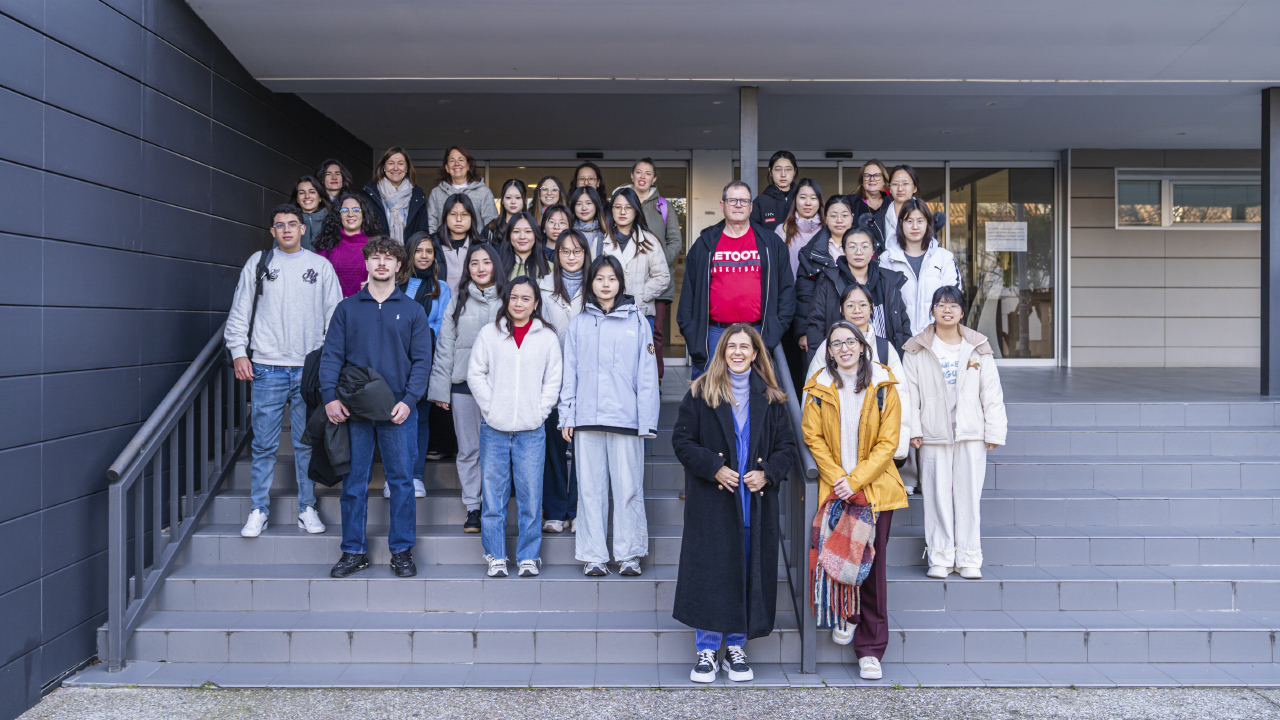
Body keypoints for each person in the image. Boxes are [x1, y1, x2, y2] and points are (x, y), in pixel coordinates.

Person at [671, 325, 796, 684]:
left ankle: (736, 648)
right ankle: (707, 650)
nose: (738, 352)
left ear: (756, 354)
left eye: (745, 346)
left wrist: (768, 473)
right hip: (713, 504)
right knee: (711, 573)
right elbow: (682, 441)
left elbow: (787, 448)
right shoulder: (701, 392)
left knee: (746, 573)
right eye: (732, 346)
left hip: (753, 505)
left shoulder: (772, 398)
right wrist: (713, 467)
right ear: (722, 351)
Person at [320, 236, 433, 580]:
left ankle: (401, 550)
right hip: (354, 409)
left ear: (399, 266)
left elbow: (422, 361)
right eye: (375, 257)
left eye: (388, 258)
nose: (381, 263)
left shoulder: (413, 310)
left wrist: (409, 401)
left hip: (398, 409)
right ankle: (353, 551)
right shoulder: (347, 308)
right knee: (354, 482)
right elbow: (331, 355)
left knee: (401, 482)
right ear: (366, 263)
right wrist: (330, 397)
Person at [227, 203, 342, 539]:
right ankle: (258, 510)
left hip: (308, 370)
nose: (287, 229)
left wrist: (326, 362)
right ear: (273, 231)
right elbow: (240, 310)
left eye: (293, 224)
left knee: (306, 444)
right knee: (264, 445)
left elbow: (335, 318)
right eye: (280, 225)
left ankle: (307, 507)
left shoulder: (320, 266)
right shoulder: (259, 262)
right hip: (267, 367)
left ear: (303, 229)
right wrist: (238, 352)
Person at [802, 321, 908, 680]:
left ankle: (871, 649)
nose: (844, 348)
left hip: (875, 491)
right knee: (842, 559)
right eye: (836, 344)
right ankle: (849, 614)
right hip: (836, 490)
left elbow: (888, 443)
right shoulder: (818, 388)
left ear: (863, 346)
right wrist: (839, 480)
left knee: (873, 569)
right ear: (829, 352)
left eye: (850, 341)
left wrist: (856, 481)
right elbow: (812, 437)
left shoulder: (884, 384)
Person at [559, 255, 660, 576]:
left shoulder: (637, 321)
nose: (605, 284)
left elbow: (647, 376)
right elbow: (569, 374)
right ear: (591, 282)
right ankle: (593, 555)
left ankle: (629, 555)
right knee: (590, 490)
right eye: (599, 278)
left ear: (620, 283)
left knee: (629, 488)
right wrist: (567, 415)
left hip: (626, 420)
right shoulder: (579, 323)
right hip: (587, 420)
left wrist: (647, 421)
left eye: (612, 279)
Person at [902, 286, 1007, 581]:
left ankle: (969, 557)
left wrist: (993, 431)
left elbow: (992, 393)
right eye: (940, 304)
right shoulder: (916, 348)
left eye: (953, 305)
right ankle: (940, 556)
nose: (946, 310)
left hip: (970, 434)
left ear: (962, 312)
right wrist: (913, 430)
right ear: (932, 311)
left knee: (968, 497)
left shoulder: (978, 346)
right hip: (933, 434)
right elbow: (908, 395)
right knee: (937, 497)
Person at [469, 277, 562, 578]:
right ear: (506, 301)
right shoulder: (489, 334)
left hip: (531, 430)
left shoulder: (547, 338)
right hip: (494, 428)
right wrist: (491, 408)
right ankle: (495, 555)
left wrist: (540, 412)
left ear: (536, 304)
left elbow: (553, 380)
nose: (518, 303)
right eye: (514, 297)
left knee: (530, 497)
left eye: (526, 298)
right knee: (493, 497)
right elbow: (476, 374)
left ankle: (528, 557)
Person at [677, 181, 795, 378]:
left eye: (743, 201)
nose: (738, 205)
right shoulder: (704, 244)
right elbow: (689, 294)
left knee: (753, 392)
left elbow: (787, 291)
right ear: (722, 205)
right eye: (732, 200)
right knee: (710, 393)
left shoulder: (771, 244)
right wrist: (691, 333)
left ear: (751, 206)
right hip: (713, 335)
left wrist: (774, 330)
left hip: (756, 332)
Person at [427, 243, 506, 533]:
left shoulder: (509, 299)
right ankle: (473, 507)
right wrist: (440, 389)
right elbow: (445, 346)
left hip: (501, 389)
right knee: (469, 449)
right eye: (474, 263)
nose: (481, 268)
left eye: (486, 262)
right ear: (467, 268)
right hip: (463, 387)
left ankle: (493, 506)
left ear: (496, 265)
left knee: (496, 451)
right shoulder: (458, 299)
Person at [804, 283, 911, 471]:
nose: (857, 310)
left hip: (878, 450)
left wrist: (899, 449)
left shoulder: (884, 348)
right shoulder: (827, 347)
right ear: (841, 309)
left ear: (872, 308)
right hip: (836, 448)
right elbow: (811, 394)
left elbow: (901, 396)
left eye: (862, 305)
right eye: (850, 305)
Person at [539, 229, 592, 533]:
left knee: (585, 448)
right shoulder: (543, 287)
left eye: (577, 251)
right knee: (554, 447)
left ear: (586, 254)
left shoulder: (597, 285)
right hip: (552, 377)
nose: (571, 257)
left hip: (588, 379)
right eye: (564, 251)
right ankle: (555, 512)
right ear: (556, 255)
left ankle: (579, 510)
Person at [396, 231, 452, 500]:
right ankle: (397, 476)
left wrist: (419, 339)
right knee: (395, 418)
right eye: (418, 250)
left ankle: (416, 476)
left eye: (429, 251)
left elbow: (442, 325)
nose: (424, 256)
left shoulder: (442, 288)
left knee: (419, 418)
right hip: (395, 359)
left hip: (426, 359)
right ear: (409, 253)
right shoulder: (396, 283)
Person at [617, 159, 683, 380]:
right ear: (632, 175)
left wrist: (656, 263)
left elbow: (675, 241)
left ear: (654, 178)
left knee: (654, 333)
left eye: (648, 173)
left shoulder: (663, 206)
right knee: (622, 331)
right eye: (638, 172)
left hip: (655, 282)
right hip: (625, 280)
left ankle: (654, 380)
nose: (642, 177)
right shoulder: (622, 201)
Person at [805, 227, 913, 359]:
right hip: (841, 361)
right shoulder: (829, 283)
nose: (859, 252)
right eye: (852, 247)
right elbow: (816, 327)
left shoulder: (888, 282)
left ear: (873, 250)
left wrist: (904, 359)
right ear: (844, 250)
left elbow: (903, 326)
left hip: (884, 360)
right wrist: (821, 362)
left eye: (864, 246)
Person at [878, 198, 963, 334]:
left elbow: (953, 300)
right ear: (901, 223)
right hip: (898, 338)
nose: (915, 227)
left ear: (928, 223)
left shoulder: (944, 258)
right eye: (909, 221)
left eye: (920, 221)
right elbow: (882, 303)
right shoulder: (886, 259)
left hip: (937, 337)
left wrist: (933, 333)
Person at [791, 196, 855, 359]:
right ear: (825, 219)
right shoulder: (810, 253)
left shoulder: (864, 247)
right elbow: (804, 295)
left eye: (844, 215)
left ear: (852, 218)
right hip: (821, 324)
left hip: (857, 320)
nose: (839, 220)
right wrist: (803, 332)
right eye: (833, 215)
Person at [600, 187, 670, 330]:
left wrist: (640, 296)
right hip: (607, 313)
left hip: (641, 313)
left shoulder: (650, 241)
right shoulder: (600, 241)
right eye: (617, 207)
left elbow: (662, 277)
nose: (622, 212)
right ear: (611, 210)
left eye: (628, 207)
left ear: (636, 210)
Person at [314, 193, 379, 298]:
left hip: (367, 305)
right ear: (338, 215)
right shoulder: (326, 244)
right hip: (333, 306)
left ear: (364, 215)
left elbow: (387, 279)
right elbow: (315, 281)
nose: (350, 214)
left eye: (356, 210)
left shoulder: (376, 246)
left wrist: (376, 286)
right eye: (344, 210)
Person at [362, 146, 429, 243]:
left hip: (409, 252)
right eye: (391, 163)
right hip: (378, 251)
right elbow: (365, 229)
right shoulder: (370, 194)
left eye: (400, 163)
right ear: (384, 167)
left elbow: (422, 232)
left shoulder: (417, 195)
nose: (396, 168)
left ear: (406, 168)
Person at [426, 146, 498, 234]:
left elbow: (491, 225)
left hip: (477, 242)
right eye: (452, 161)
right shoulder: (436, 193)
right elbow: (431, 225)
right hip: (443, 243)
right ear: (447, 168)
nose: (456, 164)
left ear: (468, 166)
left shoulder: (483, 192)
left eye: (461, 160)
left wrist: (483, 243)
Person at [433, 192, 486, 294]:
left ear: (472, 217)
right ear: (445, 217)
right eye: (453, 214)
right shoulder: (432, 245)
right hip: (439, 302)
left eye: (464, 214)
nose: (458, 219)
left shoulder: (481, 247)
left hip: (471, 303)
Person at [777, 178, 825, 278]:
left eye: (813, 198)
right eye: (803, 197)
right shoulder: (782, 231)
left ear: (819, 201)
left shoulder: (827, 230)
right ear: (795, 200)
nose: (808, 203)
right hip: (791, 287)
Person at [750, 150, 797, 231]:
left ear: (794, 172)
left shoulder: (802, 199)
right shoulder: (760, 201)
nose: (783, 175)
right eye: (778, 169)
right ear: (770, 172)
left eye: (788, 169)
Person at [847, 159, 891, 243]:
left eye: (877, 175)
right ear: (862, 181)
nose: (872, 179)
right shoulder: (850, 202)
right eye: (867, 175)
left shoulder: (892, 202)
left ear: (884, 181)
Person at [499, 211, 552, 281]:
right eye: (516, 231)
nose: (522, 237)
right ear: (509, 235)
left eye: (528, 231)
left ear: (535, 235)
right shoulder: (496, 268)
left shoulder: (550, 268)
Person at [882, 165, 921, 255]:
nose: (900, 188)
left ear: (915, 188)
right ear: (890, 188)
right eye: (895, 184)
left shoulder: (926, 217)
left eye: (905, 183)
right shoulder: (878, 220)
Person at [569, 186, 608, 257]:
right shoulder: (568, 232)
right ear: (573, 207)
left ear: (596, 205)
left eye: (588, 203)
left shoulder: (606, 233)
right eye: (579, 204)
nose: (584, 208)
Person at [292, 175, 328, 250]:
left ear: (320, 197)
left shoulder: (332, 221)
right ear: (297, 199)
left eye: (312, 192)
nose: (307, 196)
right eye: (302, 193)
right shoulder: (287, 222)